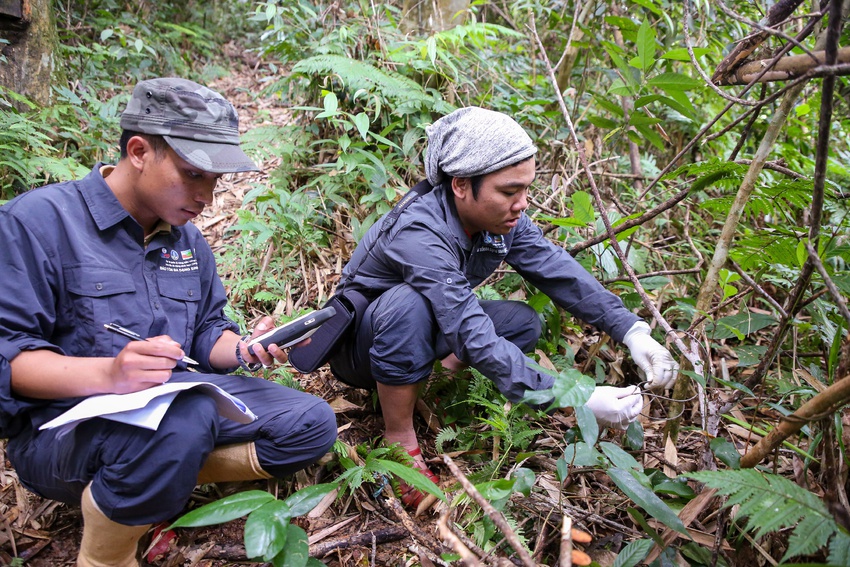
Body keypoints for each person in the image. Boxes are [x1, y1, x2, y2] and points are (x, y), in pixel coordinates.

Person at [0, 78, 337, 567]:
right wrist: (109, 375)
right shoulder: (38, 222)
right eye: (192, 174)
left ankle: (152, 481)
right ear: (138, 150)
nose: (207, 196)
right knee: (186, 418)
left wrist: (243, 350)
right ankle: (107, 556)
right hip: (60, 430)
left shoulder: (186, 241)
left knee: (309, 424)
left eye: (215, 181)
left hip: (171, 405)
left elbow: (205, 333)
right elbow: (9, 360)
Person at [328, 106, 678, 507]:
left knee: (522, 323)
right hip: (362, 350)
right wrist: (570, 397)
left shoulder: (501, 221)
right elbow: (466, 325)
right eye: (509, 192)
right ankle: (399, 437)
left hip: (423, 327)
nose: (522, 204)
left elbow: (556, 269)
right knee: (409, 304)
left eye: (526, 190)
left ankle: (430, 385)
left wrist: (631, 330)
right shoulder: (419, 230)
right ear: (461, 185)